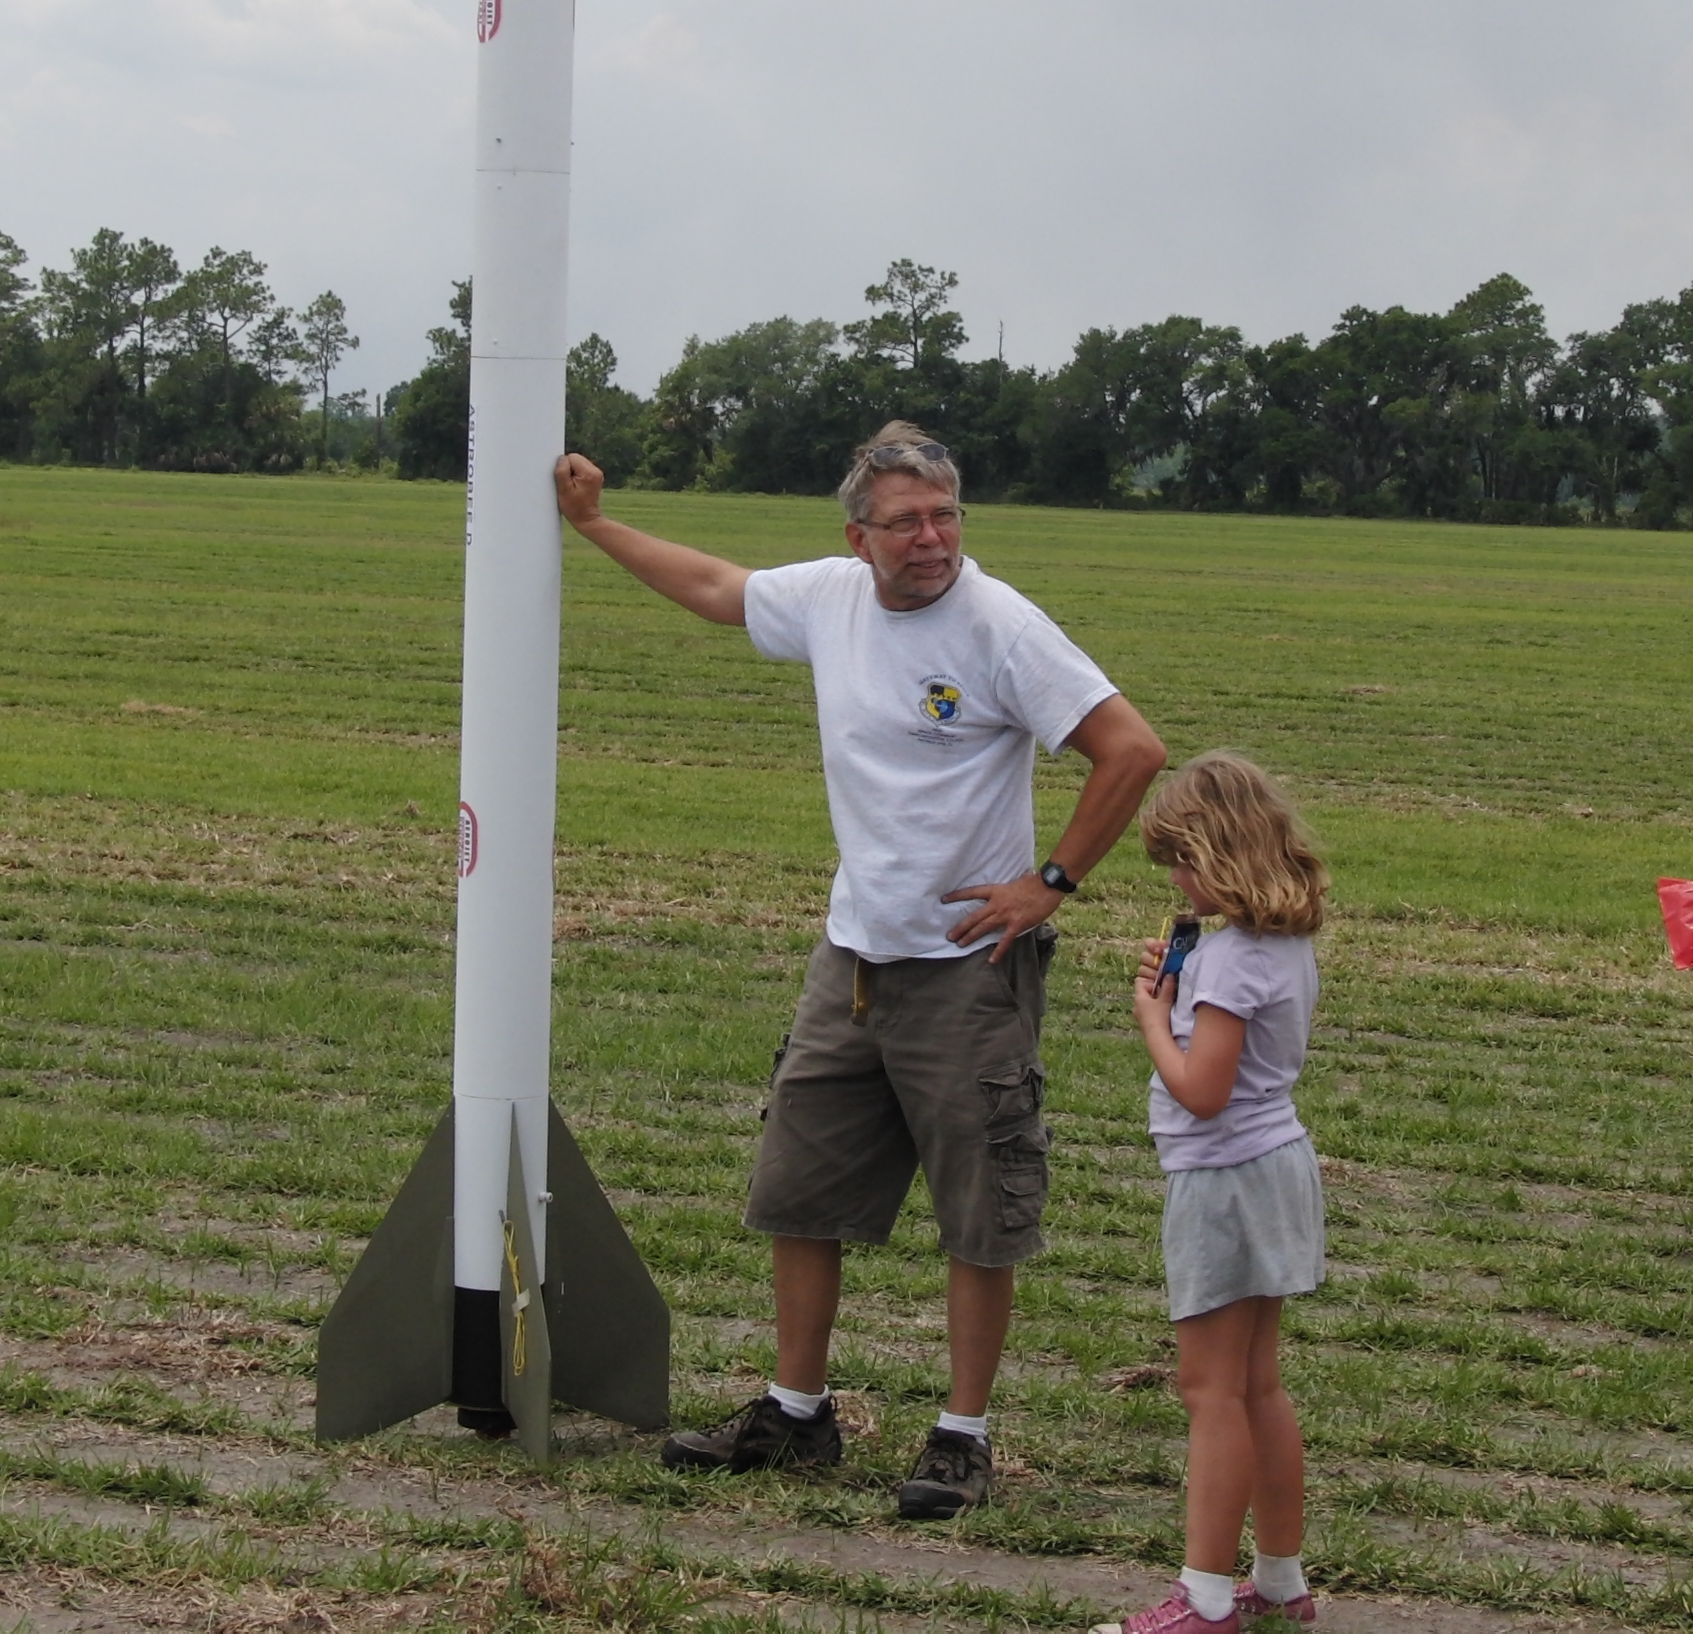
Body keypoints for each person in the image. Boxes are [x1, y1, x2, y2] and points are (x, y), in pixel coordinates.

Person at [553, 423, 1167, 1520]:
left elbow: (1131, 748)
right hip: (853, 959)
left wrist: (1049, 884)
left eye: (944, 516)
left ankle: (961, 1438)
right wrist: (594, 523)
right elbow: (714, 588)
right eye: (905, 522)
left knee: (978, 1211)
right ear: (858, 537)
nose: (930, 539)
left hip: (968, 969)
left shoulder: (1001, 626)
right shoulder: (828, 599)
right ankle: (796, 1414)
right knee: (800, 1193)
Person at [1101, 752, 1329, 1634]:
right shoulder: (1282, 943)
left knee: (1209, 1392)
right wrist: (1184, 983)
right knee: (1258, 1385)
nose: (1174, 882)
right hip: (1278, 1167)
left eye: (1179, 862)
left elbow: (1203, 1090)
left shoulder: (1230, 961)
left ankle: (1201, 1598)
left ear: (1217, 855)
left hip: (1224, 1178)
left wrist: (1155, 1019)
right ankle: (1279, 1582)